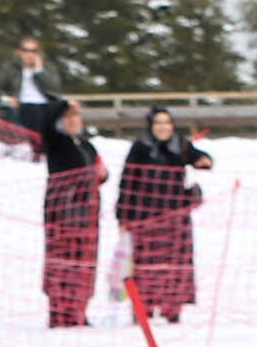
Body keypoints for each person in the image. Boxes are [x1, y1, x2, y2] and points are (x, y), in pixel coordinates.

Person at [115, 110, 213, 322]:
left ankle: (172, 309)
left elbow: (201, 159)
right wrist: (123, 216)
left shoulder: (181, 145)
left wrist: (204, 161)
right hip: (145, 217)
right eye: (158, 123)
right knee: (146, 265)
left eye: (167, 122)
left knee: (174, 264)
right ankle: (144, 310)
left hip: (175, 218)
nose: (163, 127)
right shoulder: (140, 147)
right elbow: (127, 183)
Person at [32, 95, 105, 326]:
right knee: (62, 257)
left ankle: (79, 310)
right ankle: (59, 312)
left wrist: (103, 175)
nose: (73, 120)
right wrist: (65, 104)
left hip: (88, 210)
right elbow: (46, 119)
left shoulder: (86, 145)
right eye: (68, 116)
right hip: (62, 208)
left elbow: (98, 170)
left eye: (76, 116)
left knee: (84, 258)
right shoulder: (55, 141)